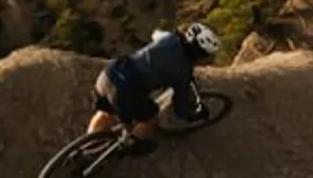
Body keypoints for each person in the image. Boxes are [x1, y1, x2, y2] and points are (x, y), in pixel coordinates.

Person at [86, 22, 222, 154]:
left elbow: (155, 34)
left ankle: (87, 148)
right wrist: (195, 115)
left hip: (110, 73)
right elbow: (181, 108)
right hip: (124, 90)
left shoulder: (169, 37)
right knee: (150, 119)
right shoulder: (183, 71)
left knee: (105, 112)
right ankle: (131, 145)